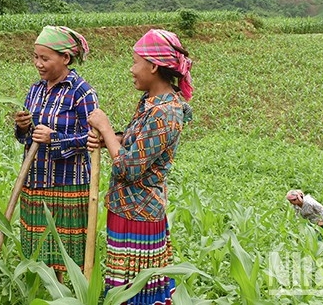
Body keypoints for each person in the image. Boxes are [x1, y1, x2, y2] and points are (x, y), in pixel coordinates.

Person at [87, 29, 193, 305]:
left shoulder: (165, 112)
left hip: (140, 212)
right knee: (123, 286)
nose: (131, 69)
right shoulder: (150, 102)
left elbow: (129, 167)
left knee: (136, 292)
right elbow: (138, 143)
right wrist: (115, 139)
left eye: (135, 62)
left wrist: (107, 130)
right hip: (126, 208)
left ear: (154, 66)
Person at [13, 26, 98, 281]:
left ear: (66, 58)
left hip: (68, 183)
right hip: (35, 178)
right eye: (36, 57)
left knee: (64, 249)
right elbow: (25, 138)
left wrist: (55, 139)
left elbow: (93, 138)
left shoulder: (82, 92)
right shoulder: (36, 90)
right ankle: (44, 289)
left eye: (45, 58)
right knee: (39, 248)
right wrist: (23, 126)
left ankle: (65, 292)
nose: (38, 64)